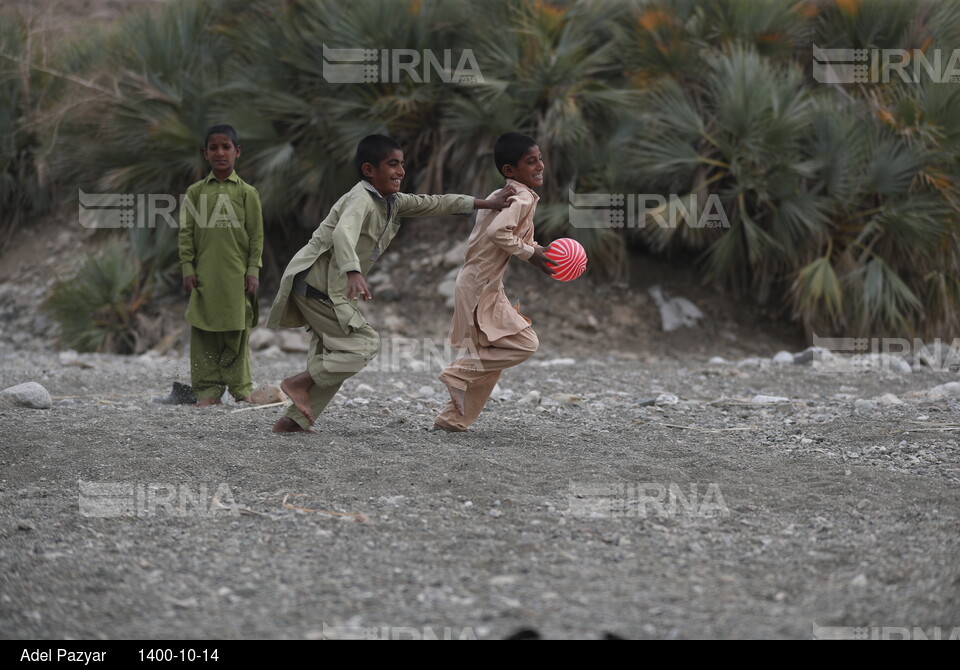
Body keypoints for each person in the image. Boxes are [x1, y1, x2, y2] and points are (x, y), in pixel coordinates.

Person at [268, 134, 517, 433]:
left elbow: (435, 203)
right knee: (364, 345)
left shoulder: (392, 202)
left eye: (402, 165)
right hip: (318, 287)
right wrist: (352, 271)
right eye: (392, 165)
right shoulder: (360, 198)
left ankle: (290, 424)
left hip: (323, 289)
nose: (400, 171)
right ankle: (297, 383)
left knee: (332, 357)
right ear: (369, 170)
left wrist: (487, 203)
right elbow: (342, 235)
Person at [434, 132, 555, 432]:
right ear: (509, 171)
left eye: (540, 158)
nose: (540, 165)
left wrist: (540, 250)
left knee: (490, 356)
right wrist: (532, 255)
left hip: (481, 283)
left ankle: (451, 420)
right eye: (531, 161)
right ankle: (456, 373)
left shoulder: (500, 194)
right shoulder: (522, 197)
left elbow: (515, 235)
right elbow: (498, 233)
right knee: (525, 343)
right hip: (480, 285)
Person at [179, 124, 263, 407]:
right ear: (205, 154)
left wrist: (253, 270)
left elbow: (256, 236)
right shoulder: (195, 193)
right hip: (204, 277)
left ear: (237, 152)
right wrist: (188, 269)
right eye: (213, 148)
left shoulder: (247, 193)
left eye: (226, 147)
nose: (220, 152)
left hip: (236, 277)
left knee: (237, 331)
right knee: (203, 331)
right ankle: (207, 391)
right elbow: (186, 234)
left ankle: (241, 389)